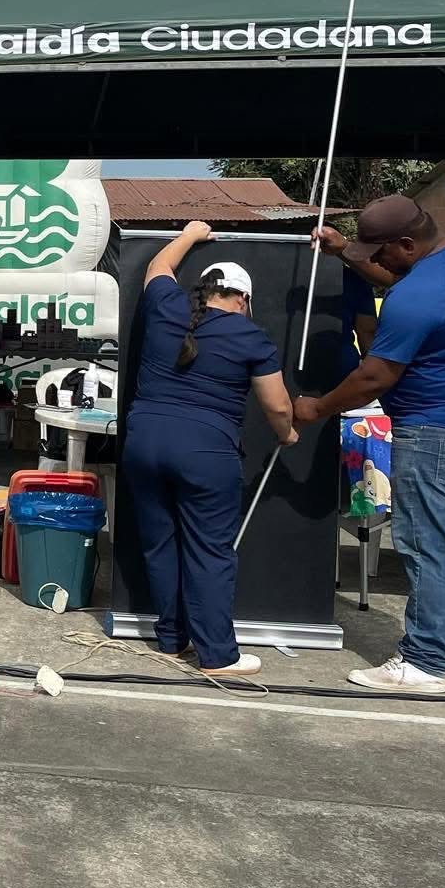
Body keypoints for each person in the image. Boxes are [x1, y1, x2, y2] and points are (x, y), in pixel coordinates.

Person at [295, 196, 445, 692]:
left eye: (381, 252)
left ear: (408, 244)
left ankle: (423, 663)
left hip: (438, 434)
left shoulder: (415, 298)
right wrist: (344, 251)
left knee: (427, 548)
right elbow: (398, 279)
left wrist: (315, 408)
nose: (376, 261)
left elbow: (373, 377)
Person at [125, 222, 297, 678]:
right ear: (243, 298)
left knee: (160, 544)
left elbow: (159, 266)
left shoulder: (165, 306)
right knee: (209, 552)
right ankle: (219, 655)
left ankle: (171, 638)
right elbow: (278, 405)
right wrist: (287, 434)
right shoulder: (250, 336)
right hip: (206, 453)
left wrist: (190, 234)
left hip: (143, 442)